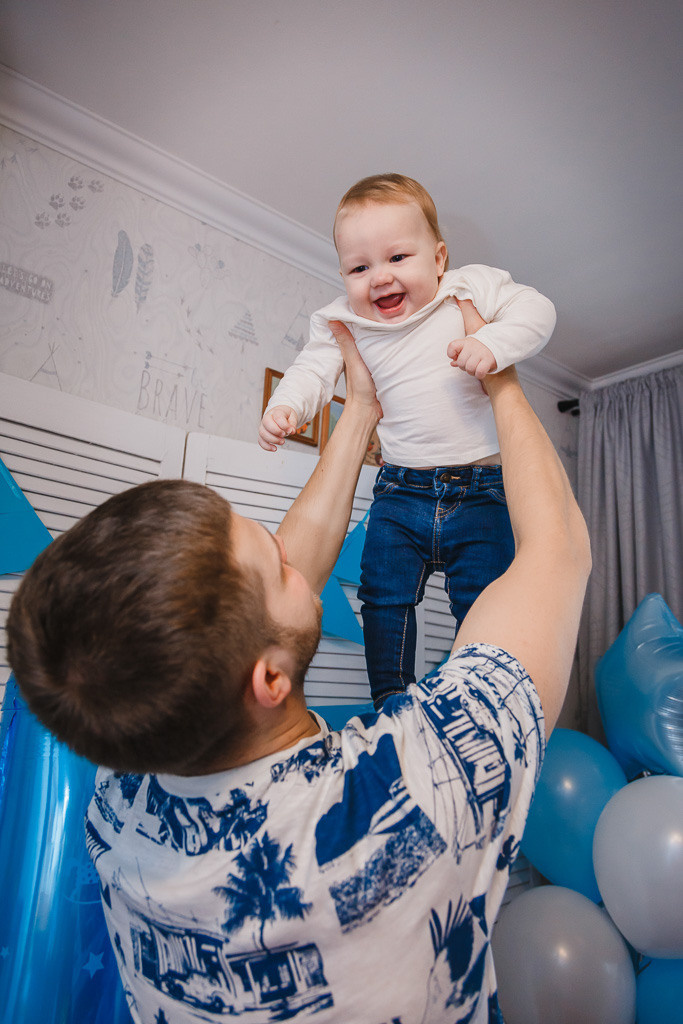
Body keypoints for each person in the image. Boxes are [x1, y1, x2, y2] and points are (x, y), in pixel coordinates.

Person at [7, 310, 590, 1024]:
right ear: (268, 681)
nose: (292, 556)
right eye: (276, 563)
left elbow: (261, 611)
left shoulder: (122, 798)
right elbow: (558, 550)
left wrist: (361, 410)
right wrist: (500, 375)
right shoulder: (404, 801)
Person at [259, 173, 557, 709]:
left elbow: (538, 310)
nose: (379, 277)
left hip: (482, 490)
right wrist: (287, 408)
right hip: (400, 492)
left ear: (438, 258)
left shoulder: (466, 288)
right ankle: (392, 698)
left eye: (398, 257)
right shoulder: (345, 320)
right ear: (343, 275)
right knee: (382, 594)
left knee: (485, 601)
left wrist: (493, 344)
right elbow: (313, 369)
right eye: (359, 268)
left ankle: (478, 699)